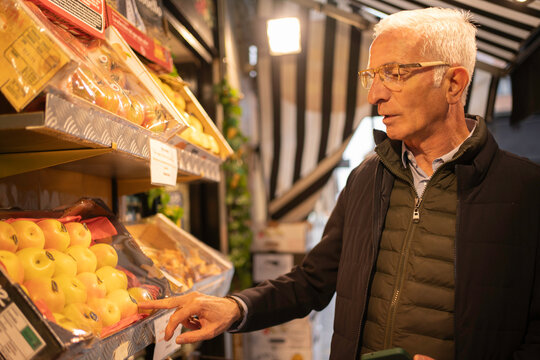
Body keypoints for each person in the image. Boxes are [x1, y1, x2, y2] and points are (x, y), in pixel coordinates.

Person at [139, 7, 540, 360]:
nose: (374, 94)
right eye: (371, 75)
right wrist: (235, 308)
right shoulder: (367, 178)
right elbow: (312, 280)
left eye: (394, 73)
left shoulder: (525, 190)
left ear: (453, 83)